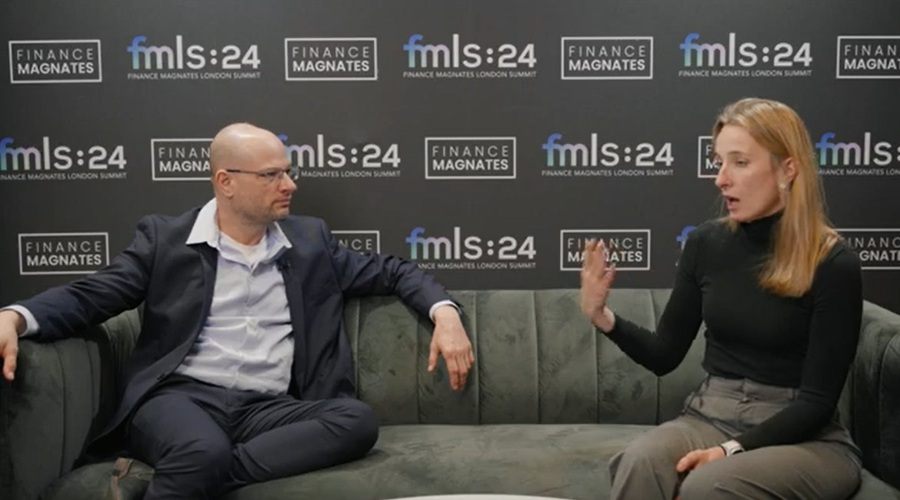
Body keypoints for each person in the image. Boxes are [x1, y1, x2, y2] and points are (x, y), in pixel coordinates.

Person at [0, 123, 474, 500]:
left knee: (356, 422)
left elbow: (392, 271)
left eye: (287, 172)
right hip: (181, 400)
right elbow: (91, 296)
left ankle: (197, 474)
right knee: (199, 449)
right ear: (225, 182)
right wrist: (15, 317)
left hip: (268, 409)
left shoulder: (310, 242)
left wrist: (445, 314)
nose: (289, 185)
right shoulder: (166, 241)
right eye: (271, 175)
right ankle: (199, 464)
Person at [580, 98, 863, 499]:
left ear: (788, 169)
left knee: (707, 485)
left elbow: (816, 405)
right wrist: (601, 315)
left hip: (804, 437)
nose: (721, 179)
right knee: (640, 460)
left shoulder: (833, 263)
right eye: (718, 162)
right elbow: (664, 354)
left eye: (740, 163)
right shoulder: (705, 243)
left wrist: (729, 450)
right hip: (709, 415)